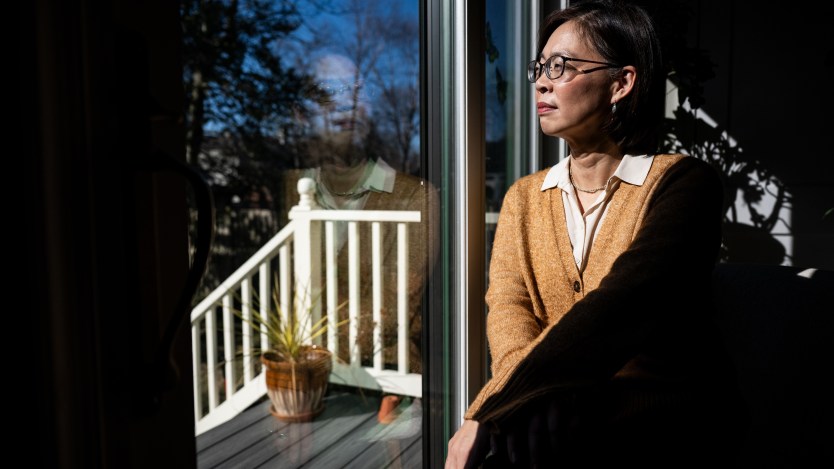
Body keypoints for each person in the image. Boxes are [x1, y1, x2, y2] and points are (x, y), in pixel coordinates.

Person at [446, 1, 747, 467]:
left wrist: (498, 406)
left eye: (561, 66)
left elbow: (626, 303)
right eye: (539, 68)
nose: (542, 81)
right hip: (554, 423)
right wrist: (529, 402)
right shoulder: (522, 197)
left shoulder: (685, 183)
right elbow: (509, 310)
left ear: (621, 83)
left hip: (666, 429)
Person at [284, 53, 439, 375]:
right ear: (299, 115)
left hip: (384, 384)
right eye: (326, 92)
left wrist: (301, 354)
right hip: (293, 381)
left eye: (356, 91)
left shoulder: (414, 197)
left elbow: (392, 310)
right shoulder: (288, 189)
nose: (346, 104)